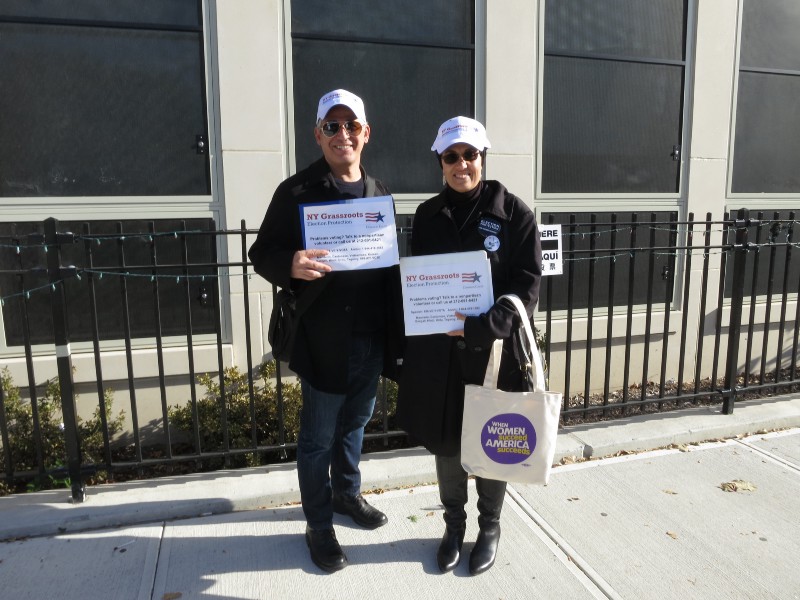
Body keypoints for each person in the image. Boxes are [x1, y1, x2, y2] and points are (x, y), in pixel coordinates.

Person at [248, 89, 401, 573]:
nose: (343, 135)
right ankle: (318, 523)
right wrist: (289, 264)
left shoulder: (379, 193)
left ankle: (346, 495)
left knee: (355, 423)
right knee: (317, 438)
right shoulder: (295, 192)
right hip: (323, 338)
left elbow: (390, 266)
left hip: (371, 336)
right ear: (318, 134)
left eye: (351, 125)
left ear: (365, 133)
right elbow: (261, 254)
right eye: (332, 127)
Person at [396, 116, 542, 576]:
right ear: (440, 163)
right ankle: (453, 525)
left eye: (469, 155)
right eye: (451, 156)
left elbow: (528, 286)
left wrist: (483, 326)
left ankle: (490, 526)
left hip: (493, 352)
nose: (461, 164)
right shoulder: (427, 214)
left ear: (482, 157)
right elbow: (423, 279)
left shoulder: (514, 213)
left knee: (494, 438)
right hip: (441, 354)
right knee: (446, 442)